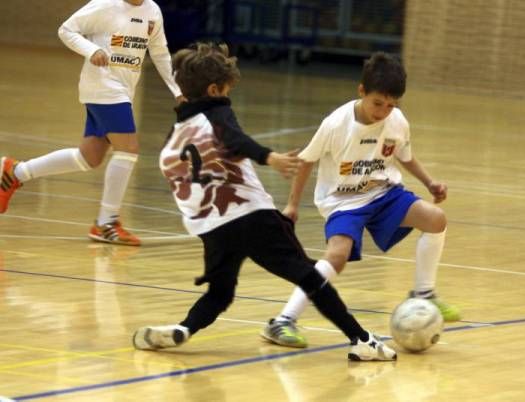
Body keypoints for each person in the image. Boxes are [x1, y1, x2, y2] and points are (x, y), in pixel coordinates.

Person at [131, 42, 397, 362]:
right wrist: (268, 157)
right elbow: (233, 138)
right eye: (227, 89)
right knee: (310, 276)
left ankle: (184, 329)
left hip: (213, 227)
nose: (228, 96)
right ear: (214, 90)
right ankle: (362, 339)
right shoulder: (217, 111)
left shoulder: (174, 138)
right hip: (252, 215)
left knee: (220, 293)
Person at [262, 52, 461, 349]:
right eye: (377, 103)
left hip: (384, 193)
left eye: (391, 105)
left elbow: (404, 156)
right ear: (361, 91)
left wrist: (429, 181)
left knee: (435, 219)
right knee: (337, 256)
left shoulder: (397, 122)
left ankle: (424, 293)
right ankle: (282, 321)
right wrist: (292, 205)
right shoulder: (335, 124)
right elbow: (306, 161)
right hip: (343, 201)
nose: (383, 111)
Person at [0, 0, 184, 246]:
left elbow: (160, 53)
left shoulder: (152, 10)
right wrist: (91, 50)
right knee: (128, 150)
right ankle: (106, 223)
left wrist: (177, 90)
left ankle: (15, 172)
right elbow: (66, 29)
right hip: (103, 87)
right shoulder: (105, 5)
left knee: (89, 157)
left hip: (123, 92)